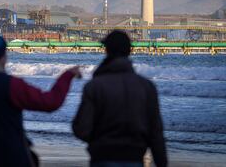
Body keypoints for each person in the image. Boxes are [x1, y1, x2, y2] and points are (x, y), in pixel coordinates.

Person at [0, 30, 81, 167]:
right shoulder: (10, 85)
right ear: (1, 56)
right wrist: (67, 75)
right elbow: (50, 102)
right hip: (11, 158)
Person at [72, 30, 167, 167]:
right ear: (130, 51)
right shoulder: (146, 87)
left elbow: (80, 128)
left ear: (106, 50)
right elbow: (156, 133)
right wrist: (161, 163)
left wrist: (98, 141)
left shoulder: (94, 86)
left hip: (101, 158)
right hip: (134, 158)